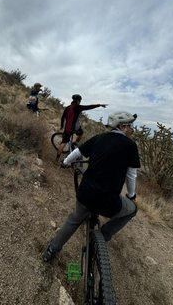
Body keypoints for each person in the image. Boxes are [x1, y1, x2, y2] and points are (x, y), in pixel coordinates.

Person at [42, 111, 140, 262]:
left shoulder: (99, 138)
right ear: (122, 126)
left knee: (74, 220)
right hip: (109, 202)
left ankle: (51, 249)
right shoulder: (131, 146)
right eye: (130, 126)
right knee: (132, 210)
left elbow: (77, 152)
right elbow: (131, 175)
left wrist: (66, 162)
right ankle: (102, 236)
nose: (131, 129)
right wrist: (132, 195)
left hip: (86, 194)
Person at [56, 94, 107, 159]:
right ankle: (74, 142)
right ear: (78, 101)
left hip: (67, 128)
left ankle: (57, 159)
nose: (80, 102)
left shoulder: (67, 108)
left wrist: (61, 126)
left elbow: (63, 117)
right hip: (74, 129)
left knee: (63, 143)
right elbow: (89, 107)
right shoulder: (78, 107)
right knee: (81, 132)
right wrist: (99, 105)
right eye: (80, 101)